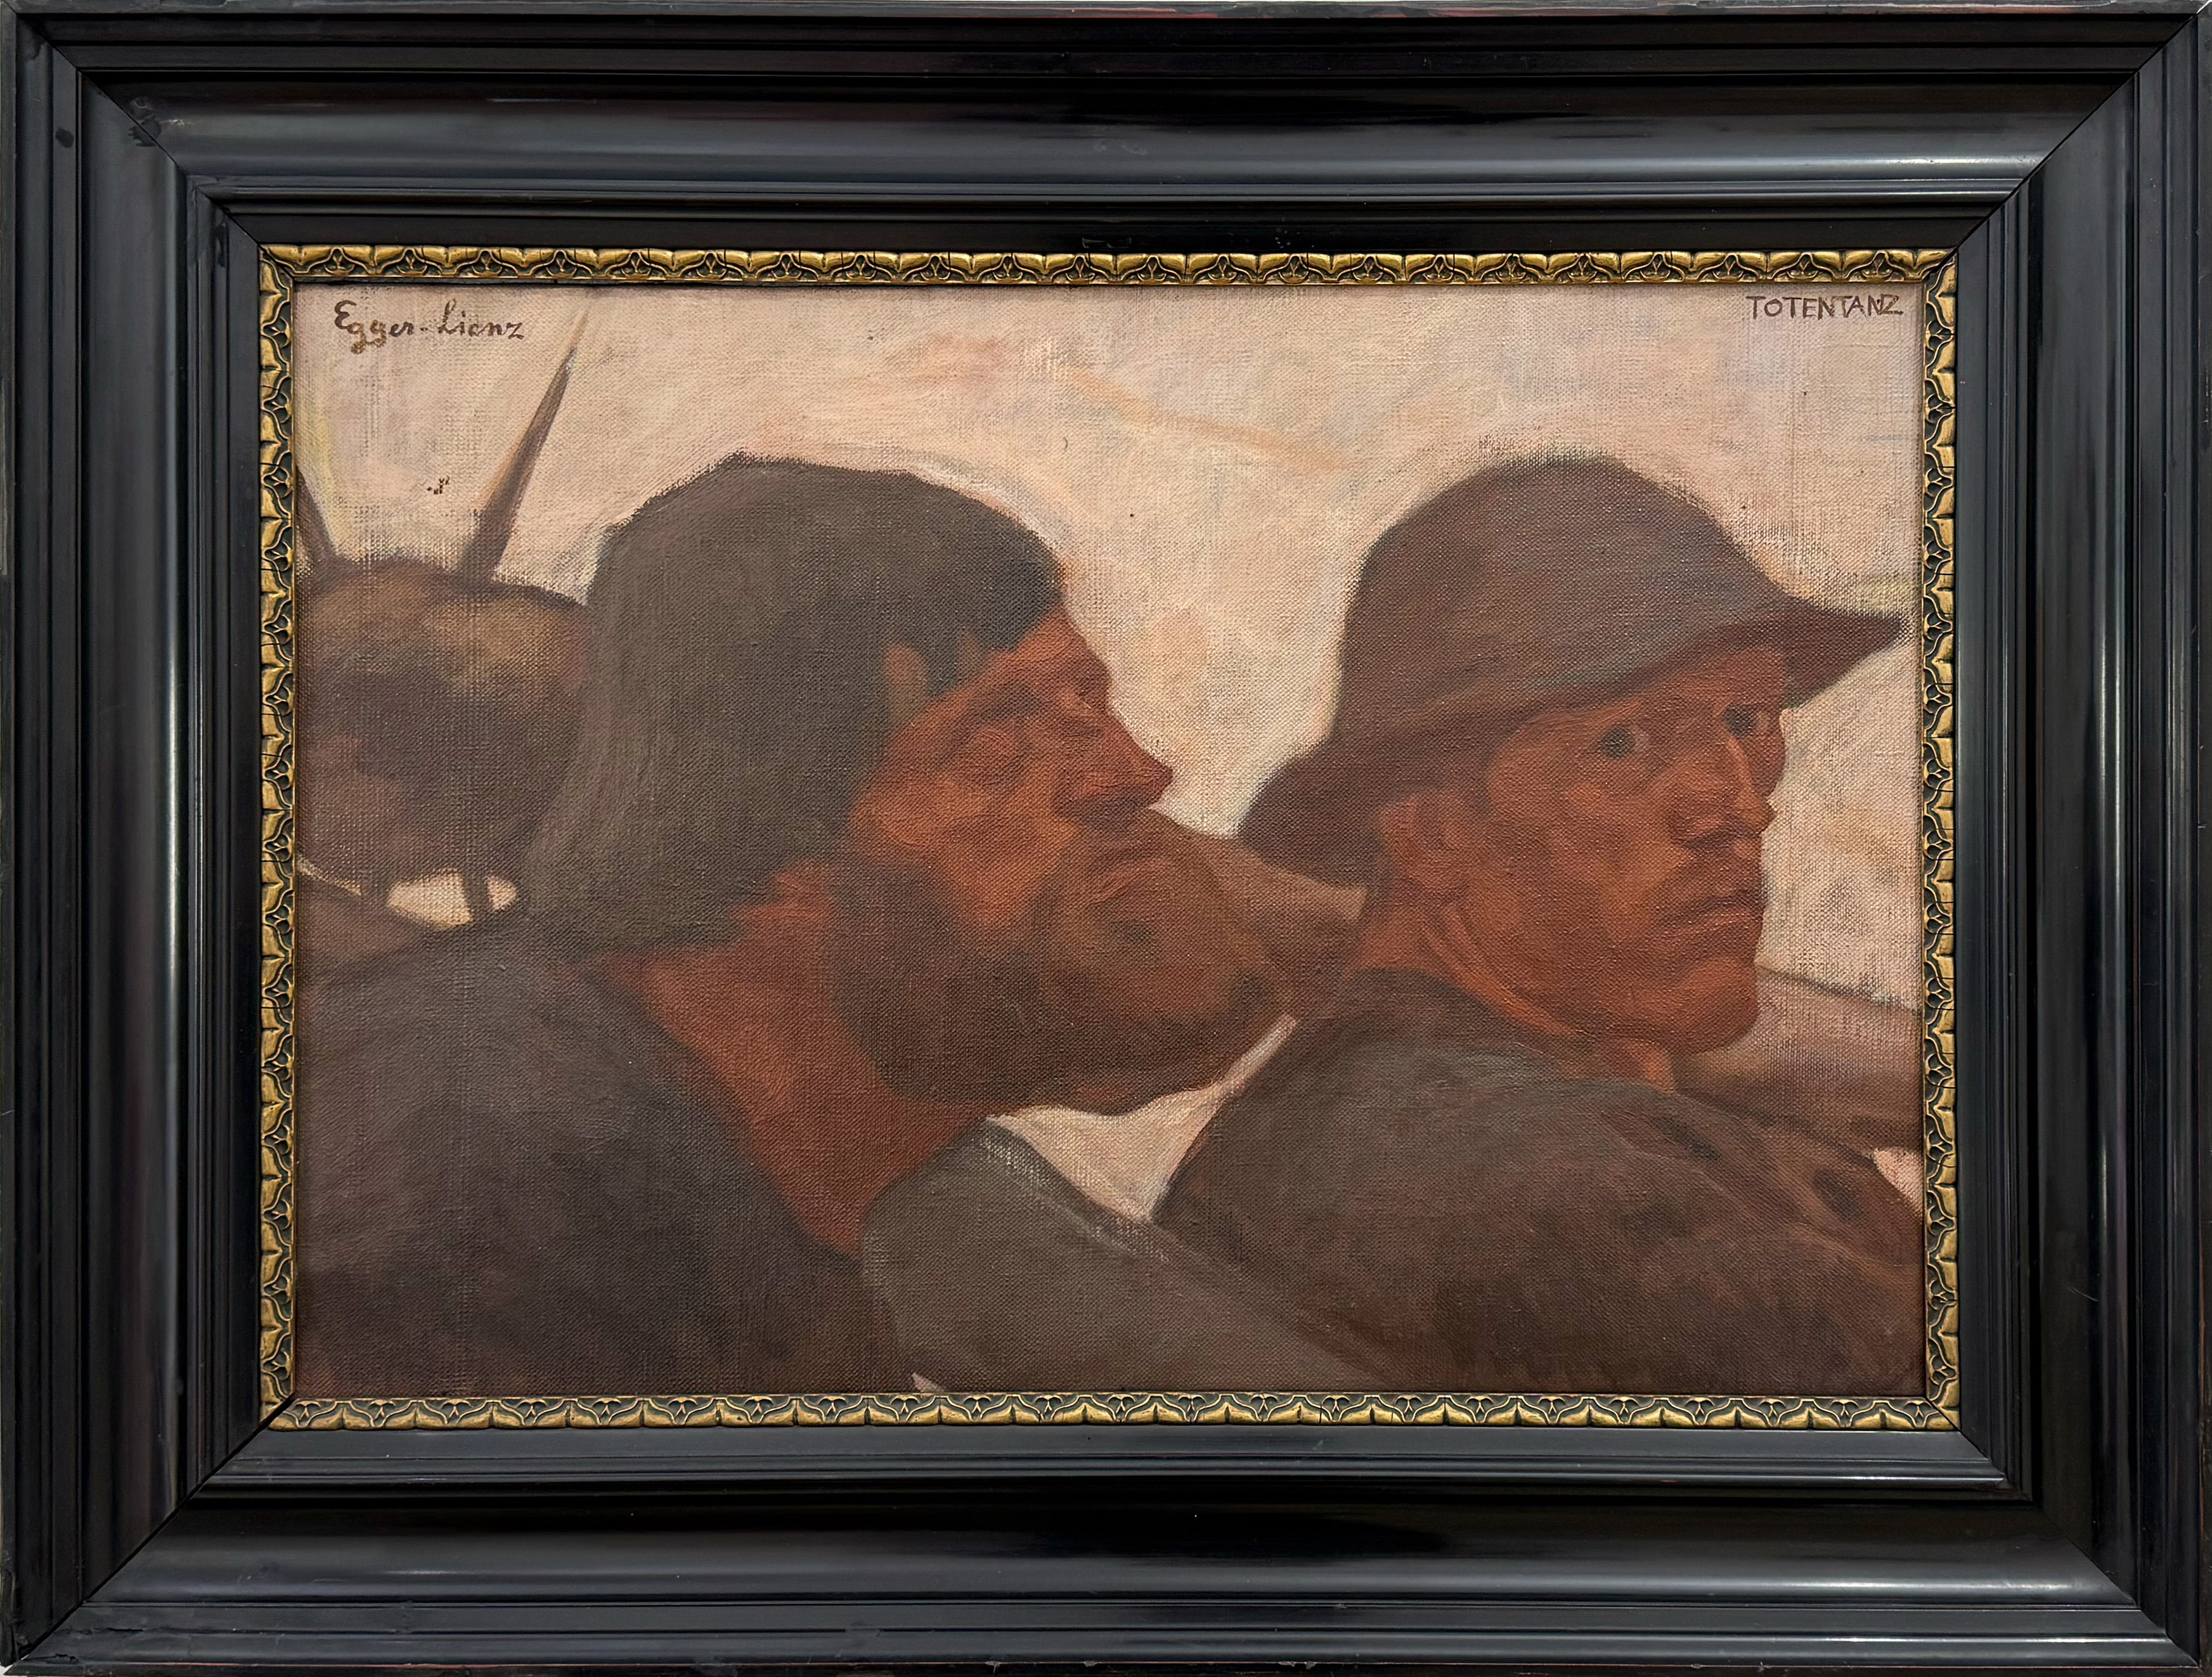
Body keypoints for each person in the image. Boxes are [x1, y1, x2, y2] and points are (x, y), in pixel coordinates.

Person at [295, 454, 1354, 1399]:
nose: (1139, 774)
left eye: (1089, 706)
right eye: (996, 743)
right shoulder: (464, 1200)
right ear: (766, 847)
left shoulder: (771, 1199)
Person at [1149, 455, 1927, 1397]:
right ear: (1429, 829)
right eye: (1622, 743)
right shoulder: (1517, 1177)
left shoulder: (1453, 1095)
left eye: (1745, 721)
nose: (1736, 807)